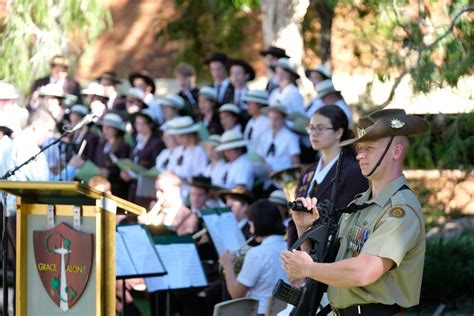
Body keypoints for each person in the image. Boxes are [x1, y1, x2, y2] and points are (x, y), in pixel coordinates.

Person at [281, 108, 429, 315]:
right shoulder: (360, 204)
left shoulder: (400, 209)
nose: (359, 155)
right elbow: (328, 267)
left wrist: (308, 268)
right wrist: (304, 228)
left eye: (369, 148)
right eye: (359, 148)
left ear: (396, 152)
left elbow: (365, 271)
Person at [286, 105, 368, 247]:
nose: (314, 133)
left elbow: (345, 223)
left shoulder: (353, 172)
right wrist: (292, 252)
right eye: (311, 128)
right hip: (299, 255)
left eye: (320, 128)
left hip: (329, 257)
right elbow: (295, 218)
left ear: (338, 133)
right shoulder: (308, 172)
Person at [219, 199, 287, 316]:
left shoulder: (256, 254)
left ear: (257, 223)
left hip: (260, 312)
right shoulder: (290, 246)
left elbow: (236, 294)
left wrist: (228, 266)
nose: (250, 230)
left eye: (250, 224)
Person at [120, 109, 165, 207]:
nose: (139, 128)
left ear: (150, 125)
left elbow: (155, 168)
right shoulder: (137, 141)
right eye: (137, 124)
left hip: (147, 189)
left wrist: (136, 175)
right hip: (134, 188)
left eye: (143, 124)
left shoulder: (156, 143)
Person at [166, 116, 209, 198]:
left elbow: (199, 175)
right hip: (175, 191)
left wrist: (182, 179)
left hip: (189, 192)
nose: (177, 138)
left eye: (180, 135)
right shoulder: (178, 150)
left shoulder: (198, 151)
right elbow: (170, 169)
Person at [93, 112, 131, 199]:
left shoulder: (123, 147)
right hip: (99, 186)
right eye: (104, 127)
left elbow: (124, 169)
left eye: (108, 128)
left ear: (116, 130)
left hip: (116, 189)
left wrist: (109, 173)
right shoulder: (101, 144)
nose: (105, 130)